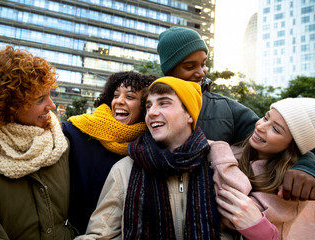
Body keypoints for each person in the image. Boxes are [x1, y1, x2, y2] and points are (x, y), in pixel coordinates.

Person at [157, 26, 315, 201]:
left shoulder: (226, 109)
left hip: (208, 209)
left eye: (203, 64)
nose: (201, 72)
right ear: (169, 71)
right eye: (190, 66)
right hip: (158, 200)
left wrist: (306, 168)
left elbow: (286, 137)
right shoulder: (148, 107)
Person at [76, 76, 220, 239]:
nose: (151, 112)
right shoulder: (124, 170)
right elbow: (100, 235)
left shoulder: (217, 164)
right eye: (148, 106)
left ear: (190, 114)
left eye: (164, 103)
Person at [0, 46, 75, 239]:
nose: (52, 105)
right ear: (5, 105)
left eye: (49, 94)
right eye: (40, 99)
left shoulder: (59, 144)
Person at [209, 97, 315, 239]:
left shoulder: (287, 186)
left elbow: (231, 216)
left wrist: (218, 148)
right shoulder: (237, 150)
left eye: (276, 129)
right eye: (266, 118)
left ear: (293, 146)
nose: (260, 126)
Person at [62, 71, 156, 233]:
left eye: (130, 97)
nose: (119, 101)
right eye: (115, 95)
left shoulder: (148, 146)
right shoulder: (76, 131)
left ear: (145, 106)